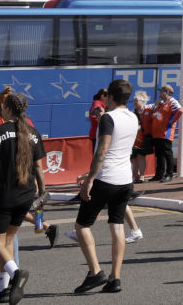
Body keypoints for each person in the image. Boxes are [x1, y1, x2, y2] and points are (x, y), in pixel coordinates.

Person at [0, 90, 44, 303]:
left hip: (5, 195)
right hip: (26, 196)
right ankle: (3, 288)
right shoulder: (33, 132)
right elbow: (39, 167)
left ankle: (16, 275)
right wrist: (42, 192)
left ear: (7, 108)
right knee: (7, 241)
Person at [73, 78, 140, 295]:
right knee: (117, 225)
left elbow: (102, 150)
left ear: (110, 97)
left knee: (82, 225)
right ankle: (115, 277)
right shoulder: (133, 117)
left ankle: (95, 272)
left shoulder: (108, 118)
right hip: (125, 179)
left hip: (106, 178)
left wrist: (89, 179)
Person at [148, 85, 181, 183]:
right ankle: (159, 174)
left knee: (167, 153)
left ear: (167, 92)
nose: (159, 93)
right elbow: (155, 114)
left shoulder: (172, 101)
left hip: (165, 132)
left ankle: (169, 174)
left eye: (161, 91)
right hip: (157, 133)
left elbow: (180, 111)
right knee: (159, 154)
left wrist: (172, 121)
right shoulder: (161, 104)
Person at [129, 91, 153, 183]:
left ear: (142, 101)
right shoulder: (132, 113)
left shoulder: (148, 110)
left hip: (144, 138)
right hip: (134, 139)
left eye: (136, 100)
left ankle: (142, 176)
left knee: (141, 156)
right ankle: (136, 176)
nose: (134, 102)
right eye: (133, 100)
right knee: (134, 158)